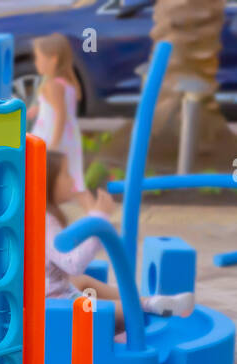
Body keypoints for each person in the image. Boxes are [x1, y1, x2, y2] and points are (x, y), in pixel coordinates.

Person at [44, 150, 185, 330]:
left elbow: (66, 252)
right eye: (66, 174)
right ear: (48, 181)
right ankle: (144, 306)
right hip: (53, 307)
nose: (72, 179)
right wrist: (98, 217)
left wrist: (91, 218)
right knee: (125, 313)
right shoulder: (45, 222)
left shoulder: (44, 215)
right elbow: (73, 263)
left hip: (50, 292)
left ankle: (144, 300)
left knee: (84, 281)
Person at [27, 33, 86, 198]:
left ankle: (41, 211)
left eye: (38, 57)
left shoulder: (52, 86)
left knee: (39, 176)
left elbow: (60, 114)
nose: (36, 62)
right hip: (70, 138)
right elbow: (62, 105)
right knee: (74, 181)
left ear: (53, 59)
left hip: (52, 136)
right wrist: (39, 108)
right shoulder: (68, 83)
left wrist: (53, 144)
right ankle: (94, 211)